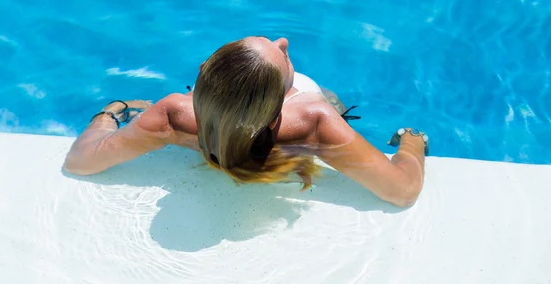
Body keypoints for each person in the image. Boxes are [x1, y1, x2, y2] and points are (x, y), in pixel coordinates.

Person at [64, 36, 429, 207]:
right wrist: (412, 141)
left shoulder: (173, 113)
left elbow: (80, 162)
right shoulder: (317, 121)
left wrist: (110, 112)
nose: (283, 41)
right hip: (299, 129)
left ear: (203, 72)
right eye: (282, 54)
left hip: (214, 133)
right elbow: (402, 190)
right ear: (281, 104)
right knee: (331, 97)